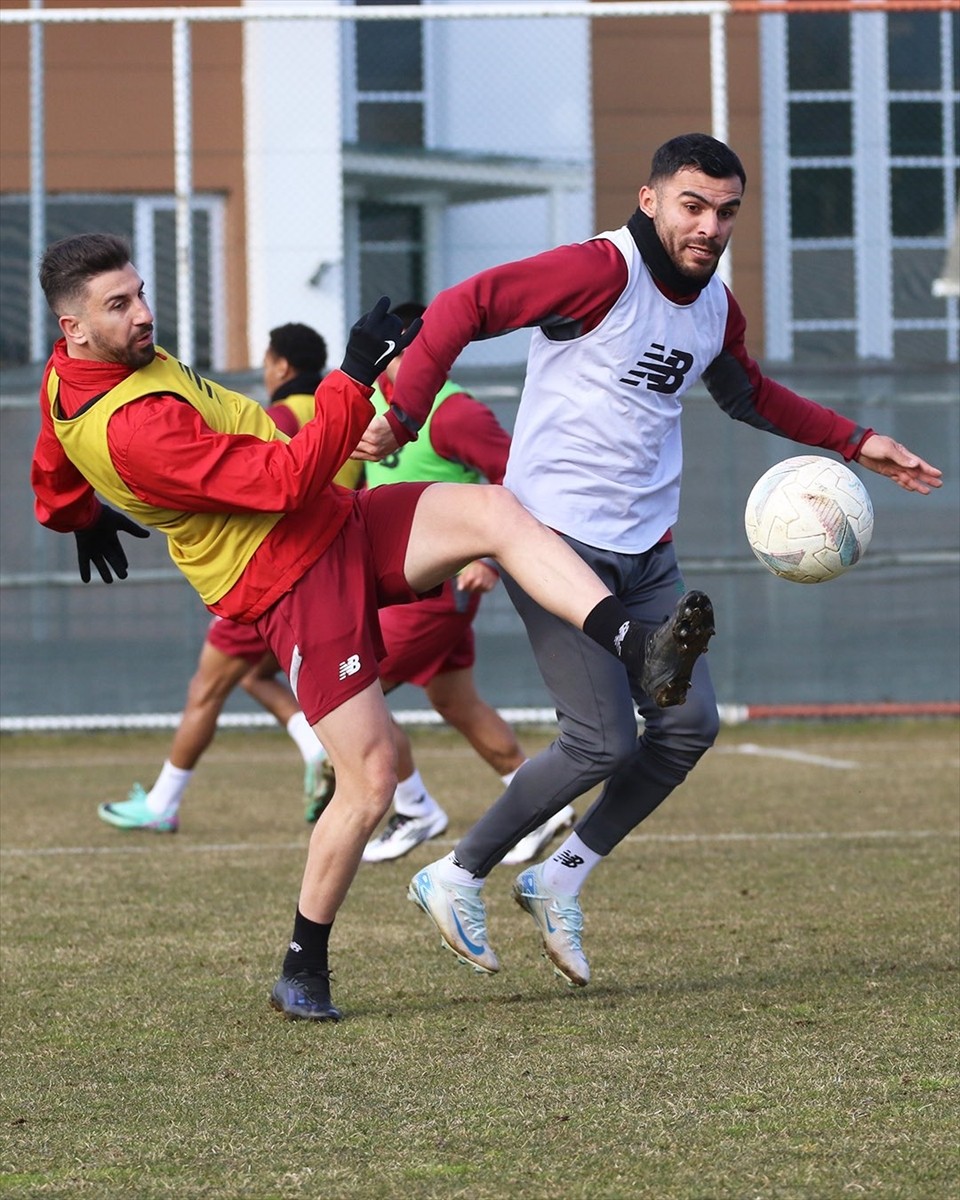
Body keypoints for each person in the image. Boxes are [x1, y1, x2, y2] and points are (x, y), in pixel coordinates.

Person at [31, 232, 700, 1022]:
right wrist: (353, 376)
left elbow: (52, 449)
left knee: (493, 509)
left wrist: (73, 512)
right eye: (120, 305)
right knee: (373, 777)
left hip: (334, 521)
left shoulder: (79, 370)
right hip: (287, 576)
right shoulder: (135, 427)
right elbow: (282, 480)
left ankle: (633, 644)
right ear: (74, 328)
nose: (144, 314)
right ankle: (301, 967)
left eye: (140, 293)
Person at [352, 132, 943, 988]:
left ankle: (558, 878)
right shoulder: (601, 271)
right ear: (651, 198)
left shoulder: (714, 306)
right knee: (599, 741)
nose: (710, 226)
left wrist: (855, 441)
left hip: (647, 551)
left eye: (727, 211)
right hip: (551, 538)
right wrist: (404, 416)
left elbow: (745, 392)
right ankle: (454, 873)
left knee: (687, 726)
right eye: (693, 205)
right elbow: (464, 305)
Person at [96, 322, 361, 832]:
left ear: (281, 366)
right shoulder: (335, 411)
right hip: (328, 556)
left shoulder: (279, 415)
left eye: (266, 359)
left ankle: (163, 803)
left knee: (207, 688)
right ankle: (327, 755)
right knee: (320, 686)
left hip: (266, 563)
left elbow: (257, 481)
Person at [358, 303, 575, 866]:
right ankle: (541, 806)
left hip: (438, 590)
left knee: (349, 697)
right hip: (404, 587)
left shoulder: (453, 413)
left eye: (397, 348)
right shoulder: (374, 398)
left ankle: (414, 808)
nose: (386, 358)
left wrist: (492, 558)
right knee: (456, 700)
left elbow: (519, 482)